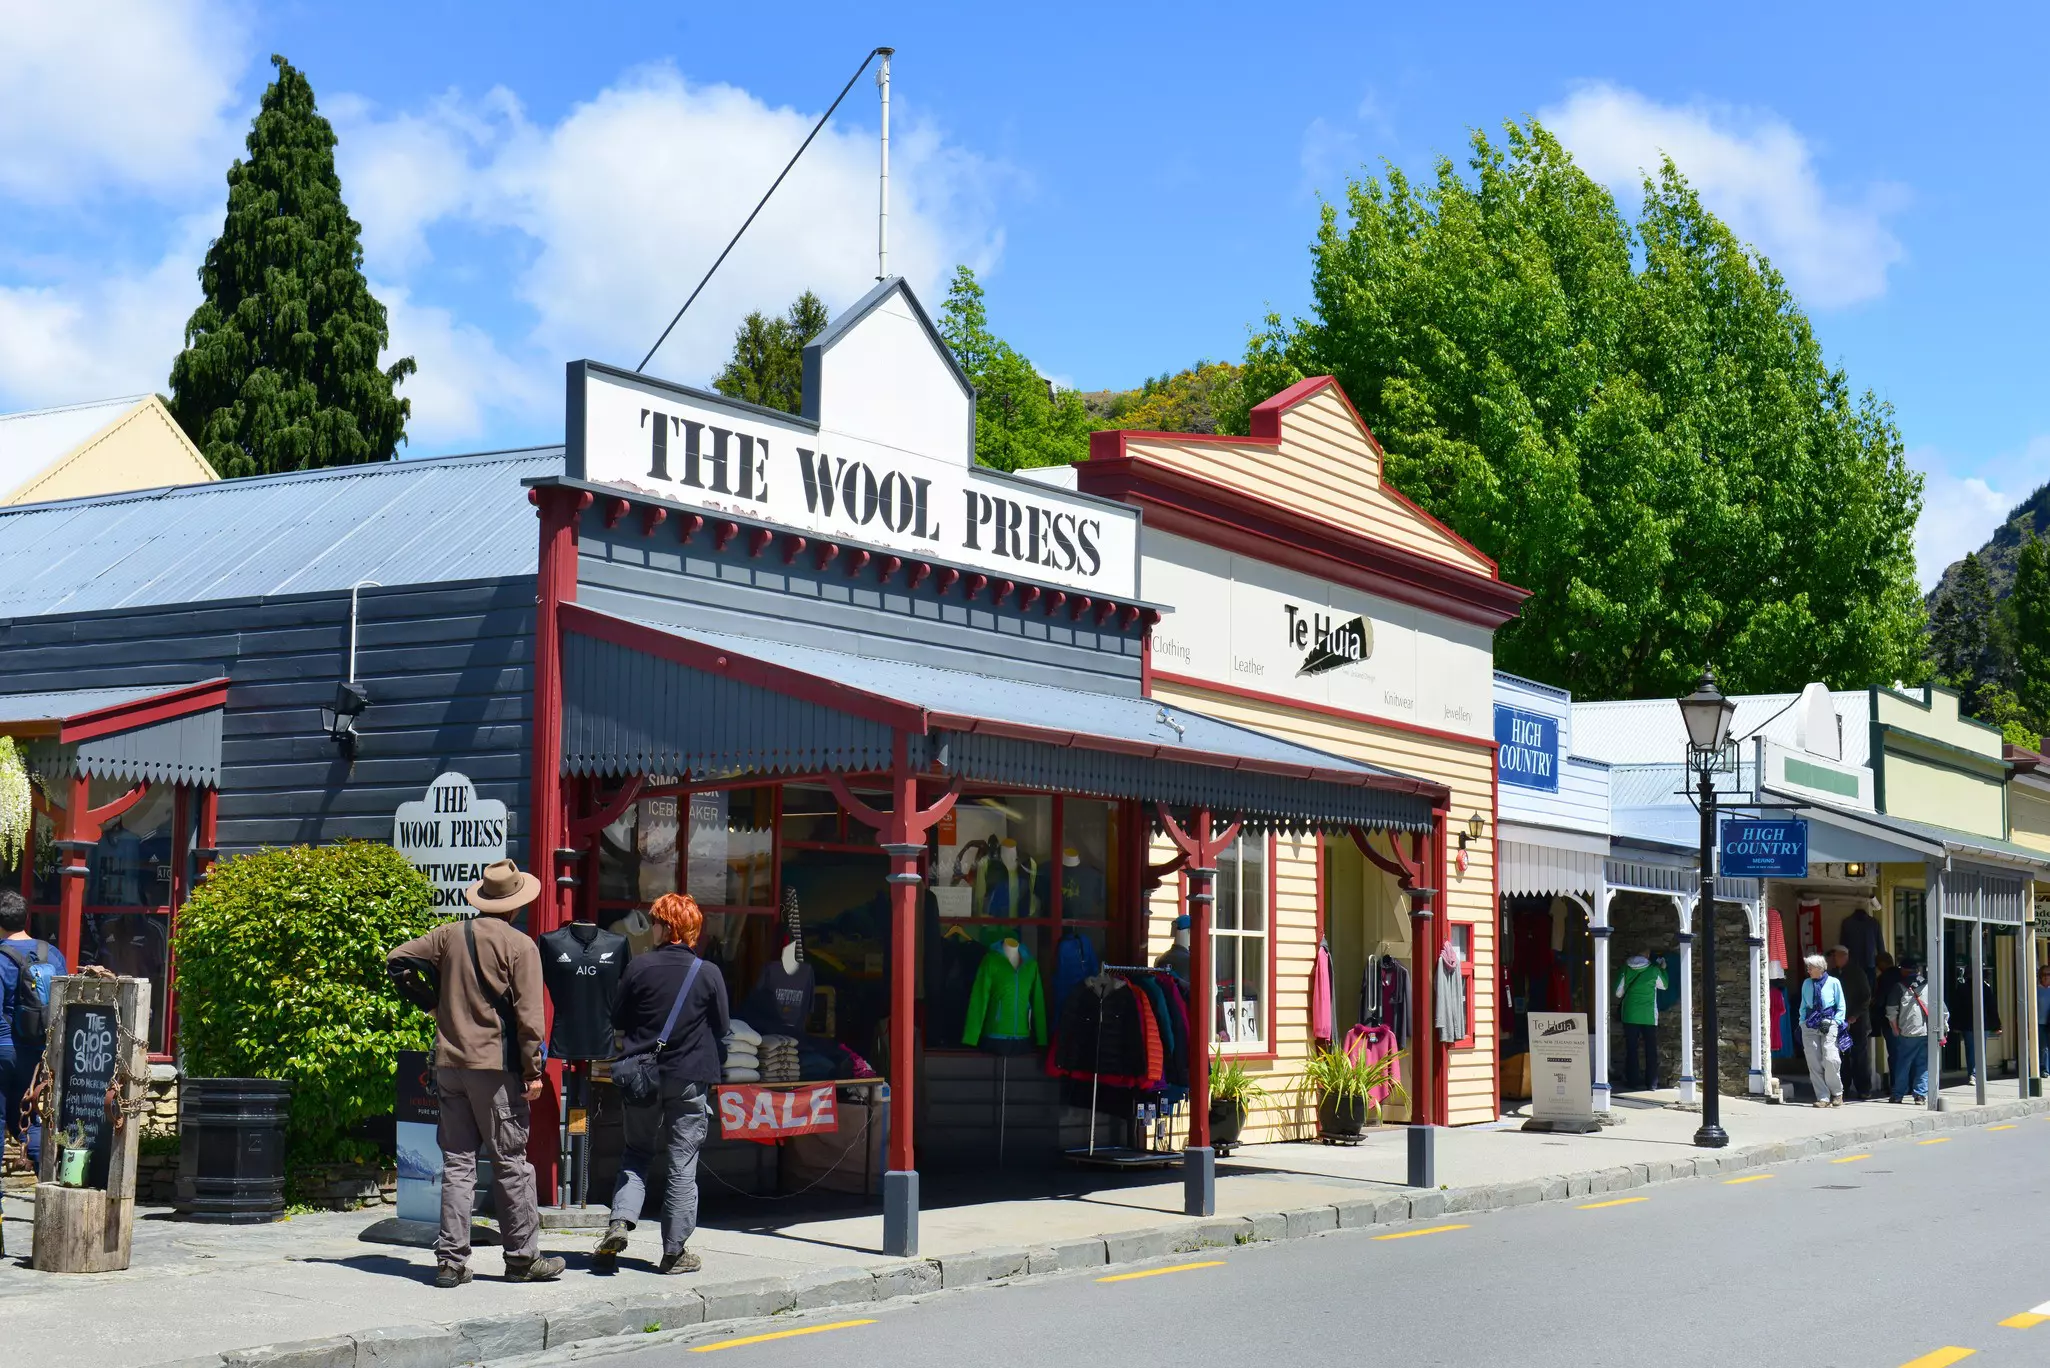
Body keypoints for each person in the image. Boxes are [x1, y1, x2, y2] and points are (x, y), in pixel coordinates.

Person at [387, 860, 562, 1289]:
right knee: (511, 1163)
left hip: (448, 1064)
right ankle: (522, 1258)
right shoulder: (521, 946)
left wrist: (431, 1004)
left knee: (458, 1164)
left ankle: (450, 1262)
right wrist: (532, 1071)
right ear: (516, 905)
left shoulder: (449, 935)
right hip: (496, 1069)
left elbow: (398, 960)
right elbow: (530, 1021)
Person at [595, 892, 728, 1276]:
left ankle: (620, 1222)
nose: (651, 927)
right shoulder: (708, 972)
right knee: (682, 1163)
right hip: (690, 1078)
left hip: (643, 1078)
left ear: (667, 927)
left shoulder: (639, 968)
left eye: (656, 921)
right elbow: (721, 1026)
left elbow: (617, 1016)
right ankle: (674, 1253)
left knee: (636, 1152)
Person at [0, 888, 67, 1160]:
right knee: (30, 1118)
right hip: (38, 1051)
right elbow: (64, 1004)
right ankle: (50, 1179)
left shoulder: (2, 957)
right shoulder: (52, 955)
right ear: (26, 919)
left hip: (4, 1048)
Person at [1884, 958, 1940, 1103]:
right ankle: (1920, 1095)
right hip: (1927, 1031)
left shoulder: (1899, 987)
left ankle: (1898, 1095)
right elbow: (1941, 1008)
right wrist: (1943, 1029)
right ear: (1918, 970)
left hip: (1907, 1031)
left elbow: (1891, 1010)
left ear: (1903, 970)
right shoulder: (1929, 985)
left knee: (1903, 1063)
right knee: (1923, 1064)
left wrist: (1895, 1028)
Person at [1799, 952, 1846, 1107]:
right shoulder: (1806, 983)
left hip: (1829, 1021)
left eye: (1810, 968)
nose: (1808, 971)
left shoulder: (1834, 982)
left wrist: (1836, 1021)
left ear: (1820, 968)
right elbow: (1804, 1005)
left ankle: (1837, 1093)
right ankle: (1823, 1097)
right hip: (1810, 1023)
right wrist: (1802, 1022)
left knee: (1830, 1057)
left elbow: (1841, 1005)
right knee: (1814, 1061)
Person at [1828, 945, 1872, 1102]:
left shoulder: (1857, 972)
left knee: (1859, 1055)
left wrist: (1855, 1016)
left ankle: (1864, 1089)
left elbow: (1866, 997)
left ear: (1844, 956)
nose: (1833, 959)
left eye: (1836, 956)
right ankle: (1843, 1088)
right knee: (1841, 1055)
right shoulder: (1832, 974)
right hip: (1840, 1022)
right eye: (1832, 957)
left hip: (1857, 1022)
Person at [2036, 964, 2050, 1079]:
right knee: (2044, 1048)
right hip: (2040, 1023)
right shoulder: (2037, 990)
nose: (2046, 977)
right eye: (2044, 974)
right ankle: (2044, 1070)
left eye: (2048, 974)